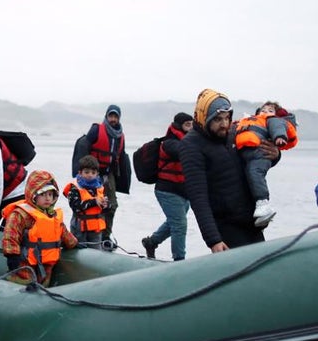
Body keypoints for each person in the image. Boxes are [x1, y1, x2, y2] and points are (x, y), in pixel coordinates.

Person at [175, 89, 270, 251]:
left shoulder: (233, 134)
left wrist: (274, 155)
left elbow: (253, 163)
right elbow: (198, 196)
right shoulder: (190, 145)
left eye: (227, 118)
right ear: (204, 117)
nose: (224, 124)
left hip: (251, 222)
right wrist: (213, 240)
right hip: (226, 227)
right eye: (218, 119)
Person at [2, 169, 79, 284]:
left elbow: (63, 233)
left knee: (44, 284)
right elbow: (10, 235)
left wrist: (73, 243)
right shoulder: (21, 215)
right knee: (24, 281)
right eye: (43, 194)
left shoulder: (53, 216)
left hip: (47, 263)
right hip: (26, 262)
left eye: (50, 194)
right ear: (33, 195)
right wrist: (12, 255)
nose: (47, 198)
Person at [234, 101, 297, 225]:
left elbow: (278, 128)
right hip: (236, 198)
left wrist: (279, 142)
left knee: (255, 173)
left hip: (257, 156)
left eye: (270, 111)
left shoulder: (273, 121)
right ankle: (261, 212)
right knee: (253, 174)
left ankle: (263, 204)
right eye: (263, 110)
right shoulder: (244, 123)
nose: (266, 112)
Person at [141, 112, 192, 260]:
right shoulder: (170, 143)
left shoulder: (189, 141)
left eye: (192, 125)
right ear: (178, 126)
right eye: (187, 125)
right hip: (167, 191)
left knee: (174, 222)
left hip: (183, 192)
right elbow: (182, 151)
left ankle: (151, 242)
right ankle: (179, 260)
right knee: (180, 225)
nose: (190, 129)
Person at [79, 105, 131, 236]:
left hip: (109, 174)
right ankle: (88, 234)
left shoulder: (121, 136)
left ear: (119, 118)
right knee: (90, 204)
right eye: (111, 116)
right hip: (92, 174)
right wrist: (83, 171)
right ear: (106, 116)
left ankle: (106, 236)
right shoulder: (96, 129)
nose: (113, 119)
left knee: (111, 205)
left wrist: (122, 177)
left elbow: (120, 156)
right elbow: (85, 146)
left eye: (115, 116)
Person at [64, 155, 109, 246]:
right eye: (86, 172)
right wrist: (94, 202)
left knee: (96, 251)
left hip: (95, 229)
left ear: (97, 174)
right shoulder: (75, 188)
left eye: (93, 172)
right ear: (80, 173)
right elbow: (76, 207)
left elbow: (105, 209)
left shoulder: (99, 188)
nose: (90, 175)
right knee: (80, 250)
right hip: (79, 229)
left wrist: (106, 205)